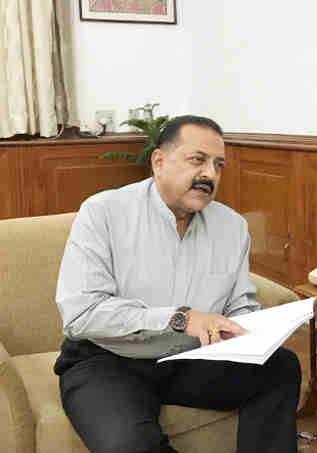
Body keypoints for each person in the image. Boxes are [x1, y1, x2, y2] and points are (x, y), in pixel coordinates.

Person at [54, 115, 301, 453]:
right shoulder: (103, 213)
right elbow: (82, 314)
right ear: (159, 161)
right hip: (108, 358)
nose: (209, 175)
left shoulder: (232, 227)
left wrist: (252, 328)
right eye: (197, 160)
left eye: (218, 165)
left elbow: (238, 303)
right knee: (129, 444)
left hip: (191, 358)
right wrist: (182, 318)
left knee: (280, 366)